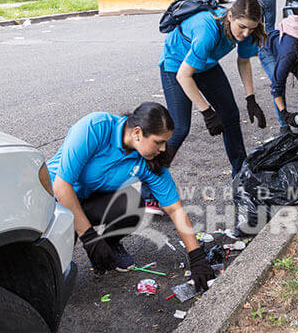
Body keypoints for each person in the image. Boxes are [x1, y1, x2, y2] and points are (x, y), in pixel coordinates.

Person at [47, 102, 215, 290]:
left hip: (86, 198)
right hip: (52, 197)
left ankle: (109, 244)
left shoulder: (149, 160)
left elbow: (174, 209)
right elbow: (62, 187)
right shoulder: (96, 127)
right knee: (53, 273)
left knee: (133, 204)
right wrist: (89, 238)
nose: (162, 149)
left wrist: (197, 258)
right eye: (159, 142)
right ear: (137, 133)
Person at [143, 0, 268, 214]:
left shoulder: (248, 29)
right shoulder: (206, 31)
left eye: (251, 28)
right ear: (229, 16)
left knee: (230, 116)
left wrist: (251, 98)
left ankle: (241, 177)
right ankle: (148, 191)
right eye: (242, 27)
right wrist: (207, 112)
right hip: (177, 65)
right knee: (179, 128)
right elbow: (184, 76)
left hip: (206, 64)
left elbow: (244, 61)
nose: (245, 34)